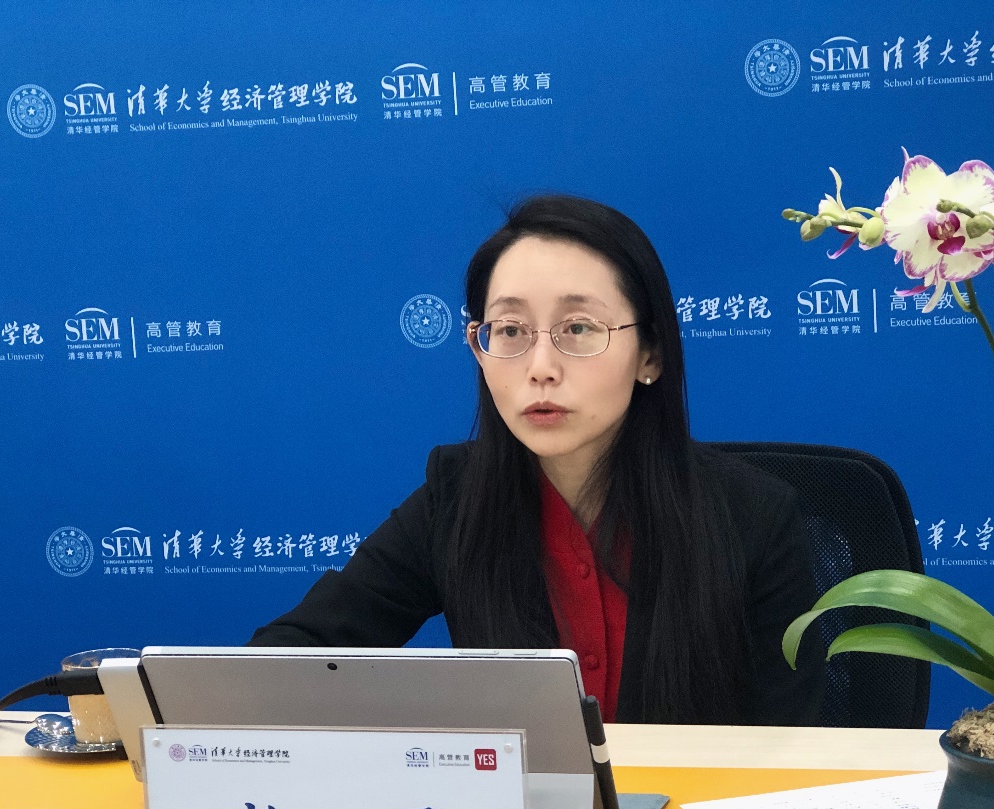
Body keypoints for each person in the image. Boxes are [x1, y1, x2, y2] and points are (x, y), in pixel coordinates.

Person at [250, 195, 824, 725]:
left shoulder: (754, 518)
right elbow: (286, 662)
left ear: (650, 353)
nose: (541, 367)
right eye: (511, 330)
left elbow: (797, 747)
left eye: (578, 328)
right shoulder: (455, 499)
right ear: (479, 349)